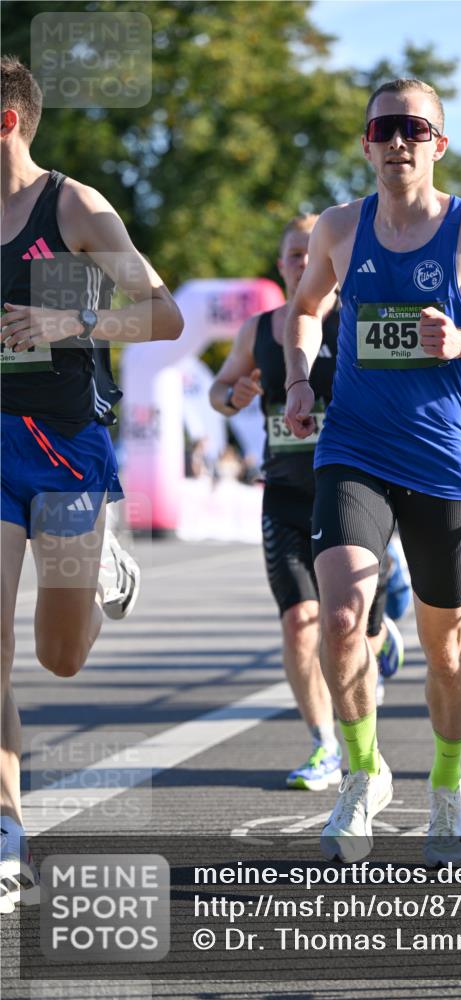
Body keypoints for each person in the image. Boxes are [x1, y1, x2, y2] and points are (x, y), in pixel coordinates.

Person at [284, 78, 461, 865]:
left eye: (415, 128)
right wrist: (298, 378)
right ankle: (363, 775)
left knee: (446, 648)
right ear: (365, 142)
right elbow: (303, 308)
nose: (399, 141)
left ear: (439, 142)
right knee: (337, 619)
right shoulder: (336, 227)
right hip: (352, 447)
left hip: (437, 459)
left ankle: (446, 789)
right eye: (384, 128)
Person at [0, 56, 183, 913]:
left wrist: (69, 319)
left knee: (59, 659)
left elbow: (164, 312)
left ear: (7, 122)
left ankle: (105, 563)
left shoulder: (72, 206)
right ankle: (7, 832)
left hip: (68, 446)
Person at [209, 215, 403, 791]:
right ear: (281, 264)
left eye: (309, 252)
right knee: (300, 622)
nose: (301, 262)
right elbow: (220, 389)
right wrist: (233, 394)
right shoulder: (261, 330)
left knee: (354, 633)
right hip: (288, 493)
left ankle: (382, 633)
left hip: (356, 493)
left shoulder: (358, 320)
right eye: (293, 254)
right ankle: (325, 745)